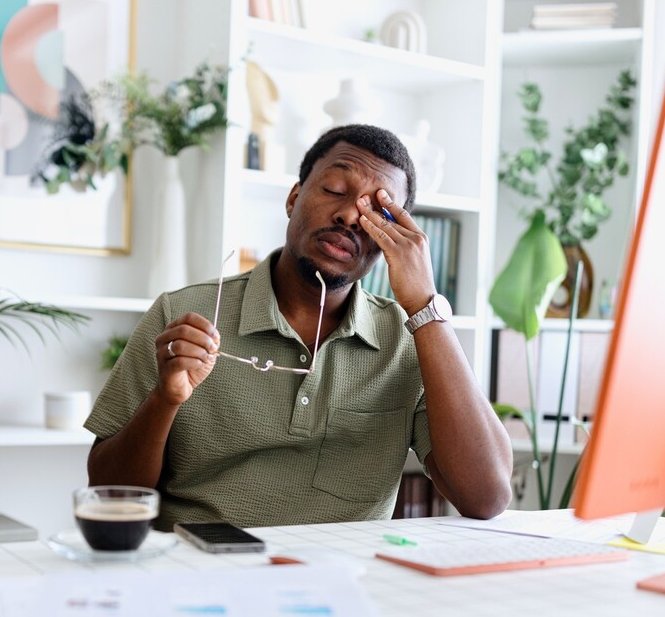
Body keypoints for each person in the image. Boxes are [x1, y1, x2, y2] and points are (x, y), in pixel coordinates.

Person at [85, 124, 513, 531]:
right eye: (334, 191)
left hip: (346, 584)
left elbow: (487, 496)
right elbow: (109, 494)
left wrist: (425, 308)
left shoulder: (409, 339)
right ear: (293, 198)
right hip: (200, 573)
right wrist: (166, 398)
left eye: (378, 212)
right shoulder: (183, 315)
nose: (349, 215)